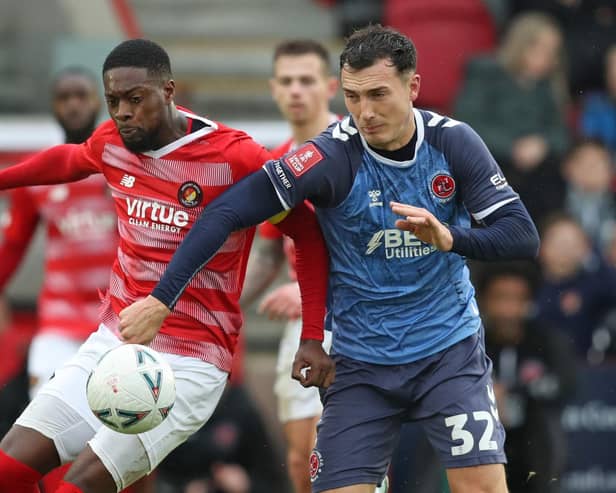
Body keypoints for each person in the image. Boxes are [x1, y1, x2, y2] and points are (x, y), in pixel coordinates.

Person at [120, 25, 540, 493]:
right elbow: (228, 211)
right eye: (353, 96)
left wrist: (450, 237)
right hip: (360, 365)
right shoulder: (330, 155)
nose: (365, 112)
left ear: (413, 86)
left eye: (379, 94)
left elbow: (521, 237)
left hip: (448, 353)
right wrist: (162, 299)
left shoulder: (454, 143)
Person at [0, 38, 330, 493]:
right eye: (113, 101)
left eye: (136, 99)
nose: (123, 112)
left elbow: (307, 232)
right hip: (114, 342)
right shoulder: (112, 142)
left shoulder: (236, 157)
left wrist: (312, 334)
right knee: (9, 470)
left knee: (76, 488)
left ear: (169, 90)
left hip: (191, 363)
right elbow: (71, 160)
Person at [240, 39, 338, 493]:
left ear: (330, 87)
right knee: (302, 460)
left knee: (340, 456)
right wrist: (221, 306)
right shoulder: (275, 165)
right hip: (304, 330)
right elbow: (266, 255)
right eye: (287, 81)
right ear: (274, 89)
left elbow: (383, 249)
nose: (297, 90)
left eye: (307, 80)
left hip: (361, 321)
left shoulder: (355, 150)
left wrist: (308, 293)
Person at [0, 66, 116, 399]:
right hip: (58, 323)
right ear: (53, 106)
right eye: (64, 98)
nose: (73, 105)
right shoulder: (38, 175)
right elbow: (13, 247)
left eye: (81, 96)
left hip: (118, 324)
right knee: (44, 423)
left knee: (111, 435)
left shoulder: (125, 167)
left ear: (98, 102)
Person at [454, 11, 569, 223]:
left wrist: (542, 144)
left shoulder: (548, 86)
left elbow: (561, 133)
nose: (547, 57)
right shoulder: (485, 71)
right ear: (521, 44)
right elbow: (467, 123)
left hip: (537, 171)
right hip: (491, 163)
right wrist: (513, 147)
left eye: (553, 51)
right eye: (540, 48)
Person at [479, 263, 576, 493]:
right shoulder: (472, 341)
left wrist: (515, 393)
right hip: (482, 439)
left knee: (544, 420)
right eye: (500, 298)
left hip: (532, 443)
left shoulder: (545, 340)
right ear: (484, 301)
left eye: (516, 299)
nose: (507, 310)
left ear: (528, 303)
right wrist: (490, 396)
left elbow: (566, 383)